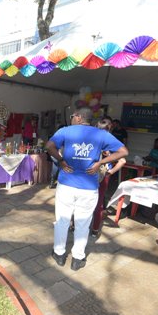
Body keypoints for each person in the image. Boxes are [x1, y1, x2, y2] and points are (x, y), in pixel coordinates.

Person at [46, 107, 128, 271]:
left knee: (62, 220)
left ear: (78, 117)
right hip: (89, 187)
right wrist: (100, 163)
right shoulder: (102, 134)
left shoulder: (66, 131)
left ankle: (59, 254)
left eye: (72, 116)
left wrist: (61, 161)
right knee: (83, 223)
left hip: (67, 184)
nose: (71, 118)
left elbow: (49, 146)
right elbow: (123, 151)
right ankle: (77, 259)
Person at [91, 118, 126, 237]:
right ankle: (94, 230)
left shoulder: (91, 139)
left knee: (82, 201)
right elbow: (122, 160)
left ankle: (75, 226)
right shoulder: (111, 142)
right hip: (102, 175)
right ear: (109, 129)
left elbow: (122, 160)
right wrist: (110, 172)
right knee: (98, 202)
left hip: (90, 173)